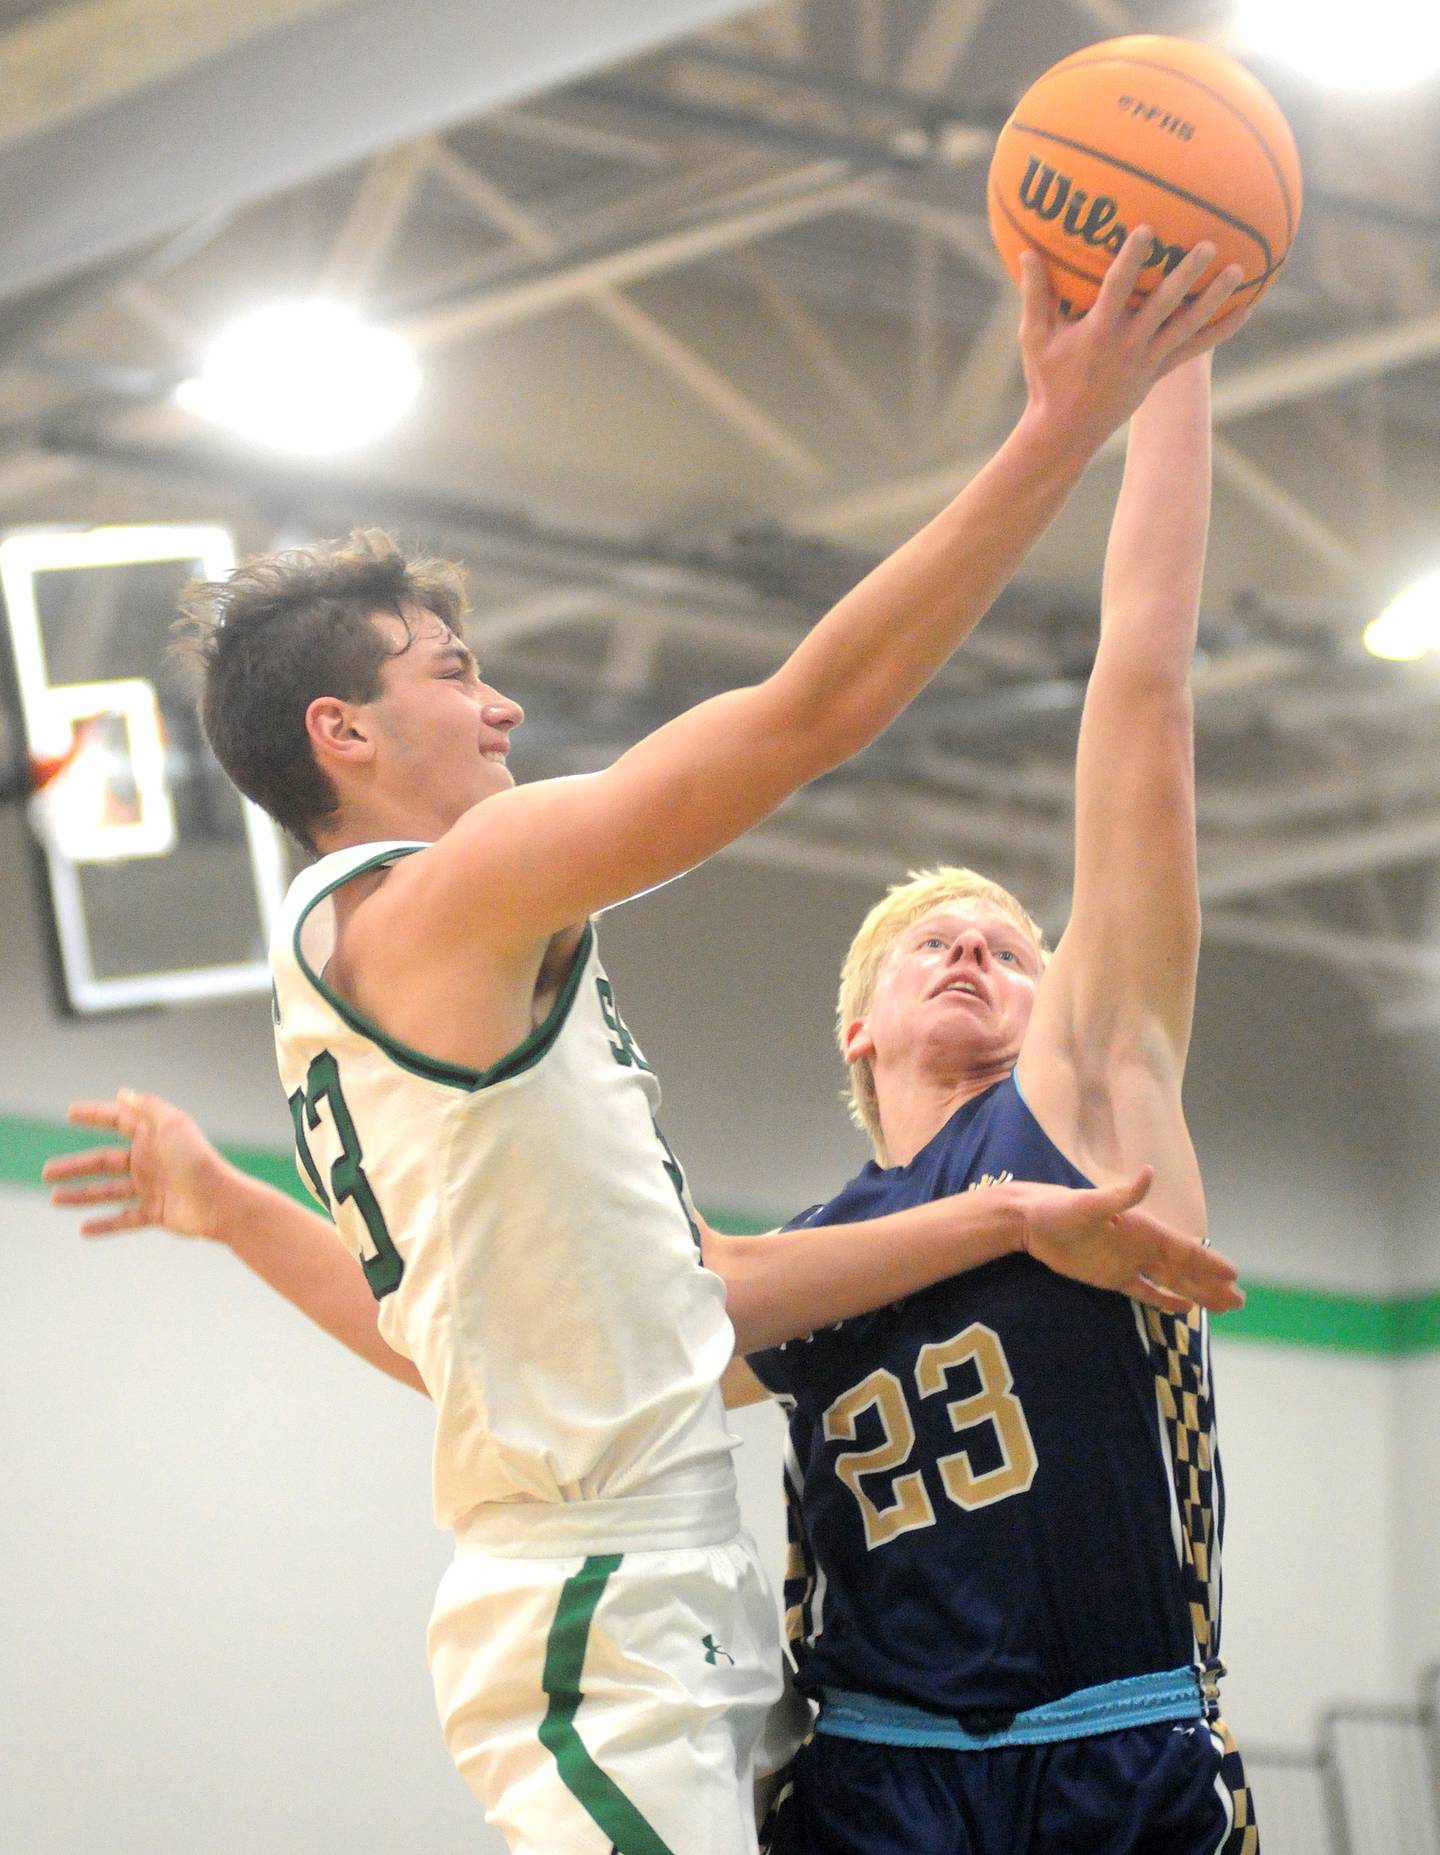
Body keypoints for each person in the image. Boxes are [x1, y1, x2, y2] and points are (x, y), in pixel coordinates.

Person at [46, 232, 1244, 1855]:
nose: (502, 710)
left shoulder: (423, 991)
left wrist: (234, 1207)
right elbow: (807, 718)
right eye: (457, 674)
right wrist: (1060, 424)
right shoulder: (444, 906)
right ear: (345, 733)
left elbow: (468, 1348)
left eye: (1002, 943)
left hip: (720, 1617)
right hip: (627, 1609)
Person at [739, 353, 1257, 1855]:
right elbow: (554, 1351)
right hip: (876, 1771)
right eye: (934, 941)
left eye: (1013, 949)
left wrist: (1173, 364)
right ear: (858, 1025)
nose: (975, 949)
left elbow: (1143, 689)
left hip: (1113, 1752)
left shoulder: (1083, 1098)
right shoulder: (811, 1256)